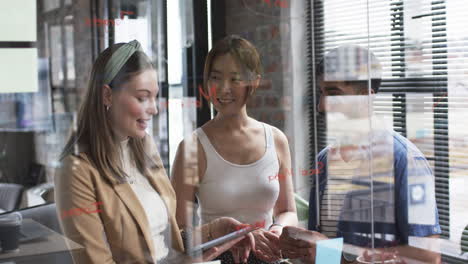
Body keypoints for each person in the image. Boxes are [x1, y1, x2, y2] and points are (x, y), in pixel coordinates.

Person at [55, 40, 253, 264]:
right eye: (142, 97)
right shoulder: (76, 172)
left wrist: (216, 231)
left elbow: (168, 242)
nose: (154, 108)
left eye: (155, 96)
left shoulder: (143, 146)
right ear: (107, 95)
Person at [279, 45, 442, 263]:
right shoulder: (325, 160)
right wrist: (299, 246)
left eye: (334, 93)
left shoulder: (406, 161)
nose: (321, 106)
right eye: (321, 93)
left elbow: (427, 258)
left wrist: (330, 255)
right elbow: (323, 253)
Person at [171, 35, 298, 263]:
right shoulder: (192, 148)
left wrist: (277, 230)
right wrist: (234, 237)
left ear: (254, 82)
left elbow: (288, 210)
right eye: (216, 78)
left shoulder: (276, 140)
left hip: (269, 258)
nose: (223, 88)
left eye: (235, 79)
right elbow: (179, 234)